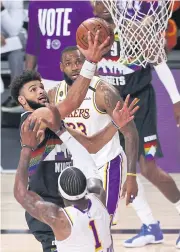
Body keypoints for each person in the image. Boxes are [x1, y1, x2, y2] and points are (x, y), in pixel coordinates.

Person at [10, 31, 139, 252]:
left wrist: (115, 125)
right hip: (46, 209)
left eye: (41, 86)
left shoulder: (54, 124)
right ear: (22, 101)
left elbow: (91, 145)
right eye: (33, 90)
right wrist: (89, 64)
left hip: (70, 203)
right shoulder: (33, 121)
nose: (41, 91)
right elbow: (72, 102)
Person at [92, 1, 180, 248]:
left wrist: (177, 100)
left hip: (140, 104)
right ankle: (150, 226)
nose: (102, 4)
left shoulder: (133, 30)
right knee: (120, 170)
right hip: (111, 106)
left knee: (149, 168)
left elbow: (159, 63)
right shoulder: (90, 31)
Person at [49, 45, 139, 223]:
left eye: (79, 62)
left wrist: (131, 176)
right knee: (78, 225)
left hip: (106, 163)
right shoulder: (54, 94)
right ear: (61, 67)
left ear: (88, 64)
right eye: (69, 63)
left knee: (103, 224)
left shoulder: (104, 92)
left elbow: (131, 133)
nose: (75, 67)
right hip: (76, 166)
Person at [14, 114, 115, 252]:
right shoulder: (99, 197)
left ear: (60, 192)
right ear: (86, 187)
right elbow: (87, 162)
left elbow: (21, 194)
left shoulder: (59, 218)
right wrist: (62, 132)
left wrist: (26, 148)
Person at [1, 0, 27, 113]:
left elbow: (14, 30)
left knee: (16, 48)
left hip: (13, 39)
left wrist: (1, 9)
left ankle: (15, 93)